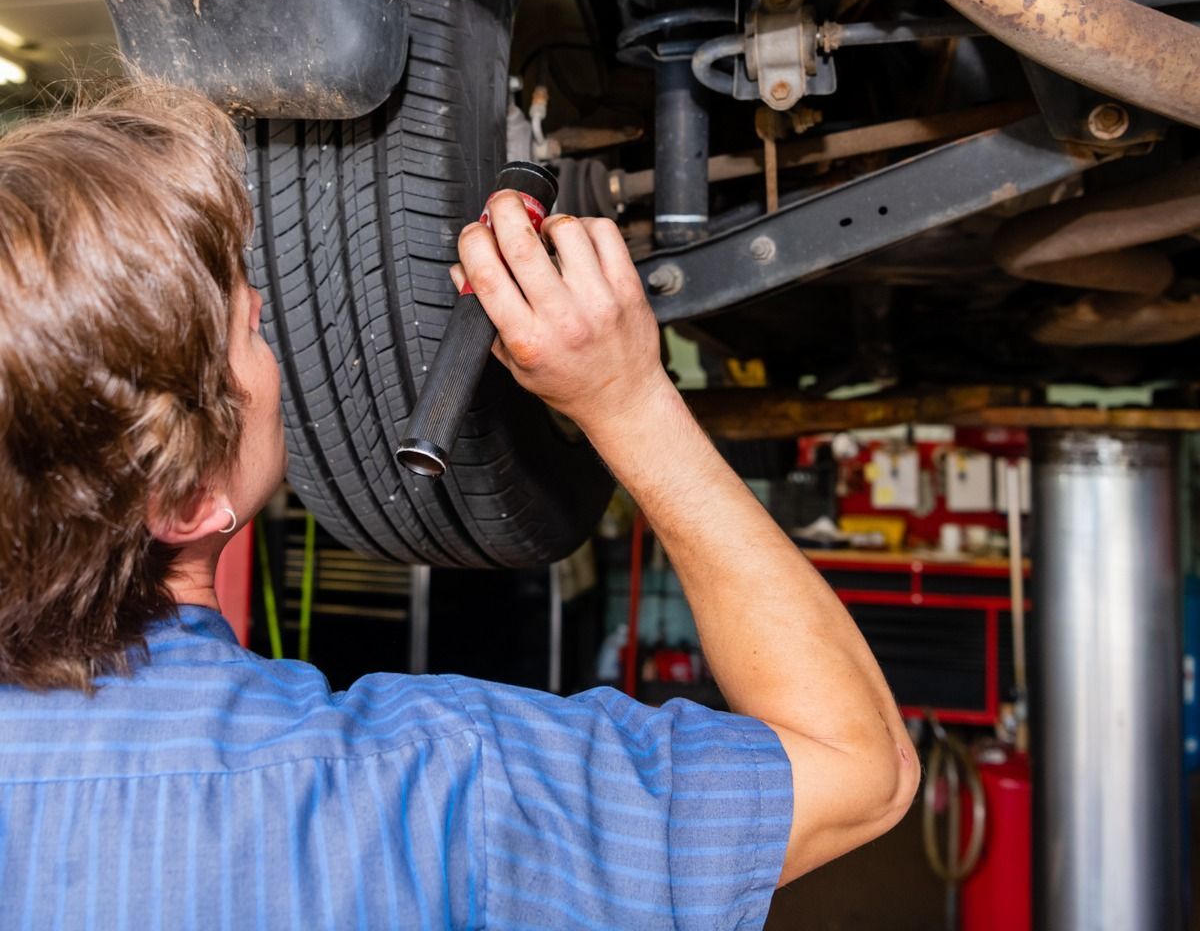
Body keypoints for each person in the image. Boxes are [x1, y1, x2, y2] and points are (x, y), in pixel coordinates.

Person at [0, 82, 918, 929]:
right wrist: (628, 397)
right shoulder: (420, 789)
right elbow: (860, 767)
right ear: (191, 496)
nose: (274, 320)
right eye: (250, 331)